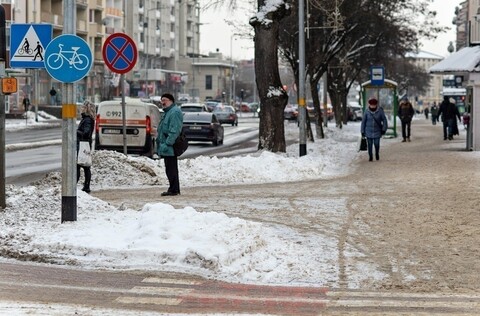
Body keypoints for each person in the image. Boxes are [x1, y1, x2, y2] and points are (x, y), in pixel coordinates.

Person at [156, 93, 183, 196]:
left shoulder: (174, 112)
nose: (163, 102)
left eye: (165, 100)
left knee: (171, 168)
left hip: (170, 146)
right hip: (166, 145)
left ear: (171, 101)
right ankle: (173, 188)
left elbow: (174, 130)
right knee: (169, 168)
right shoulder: (168, 112)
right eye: (161, 100)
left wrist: (167, 143)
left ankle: (174, 189)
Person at [361, 97, 388, 161]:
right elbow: (363, 122)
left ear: (376, 105)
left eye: (374, 105)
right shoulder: (366, 111)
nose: (372, 106)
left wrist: (384, 129)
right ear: (369, 104)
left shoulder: (380, 111)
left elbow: (384, 120)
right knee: (369, 145)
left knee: (376, 144)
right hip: (368, 131)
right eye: (371, 105)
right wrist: (362, 131)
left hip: (377, 131)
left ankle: (377, 153)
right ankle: (370, 156)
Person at [77, 101, 96, 193]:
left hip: (82, 145)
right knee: (85, 166)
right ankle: (86, 186)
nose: (81, 109)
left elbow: (86, 133)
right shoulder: (87, 119)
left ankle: (77, 185)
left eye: (83, 107)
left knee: (79, 165)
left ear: (87, 109)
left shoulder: (87, 120)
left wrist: (76, 132)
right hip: (84, 144)